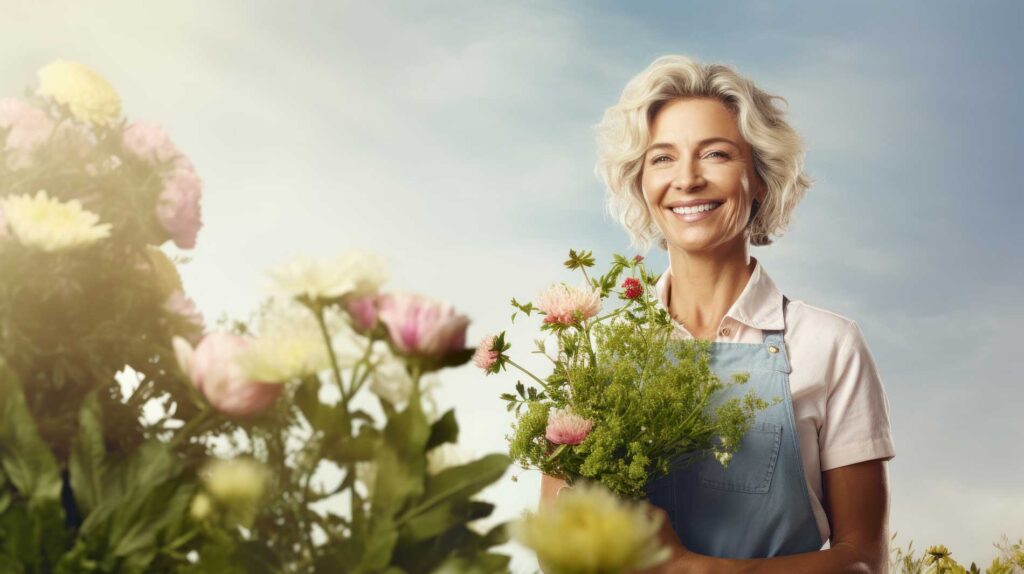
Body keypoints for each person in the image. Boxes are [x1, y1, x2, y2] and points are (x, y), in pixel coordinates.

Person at [539, 55, 896, 573]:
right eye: (662, 158)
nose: (687, 179)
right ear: (641, 183)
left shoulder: (829, 345)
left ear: (759, 179)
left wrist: (705, 570)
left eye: (716, 154)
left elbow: (863, 561)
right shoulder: (594, 357)